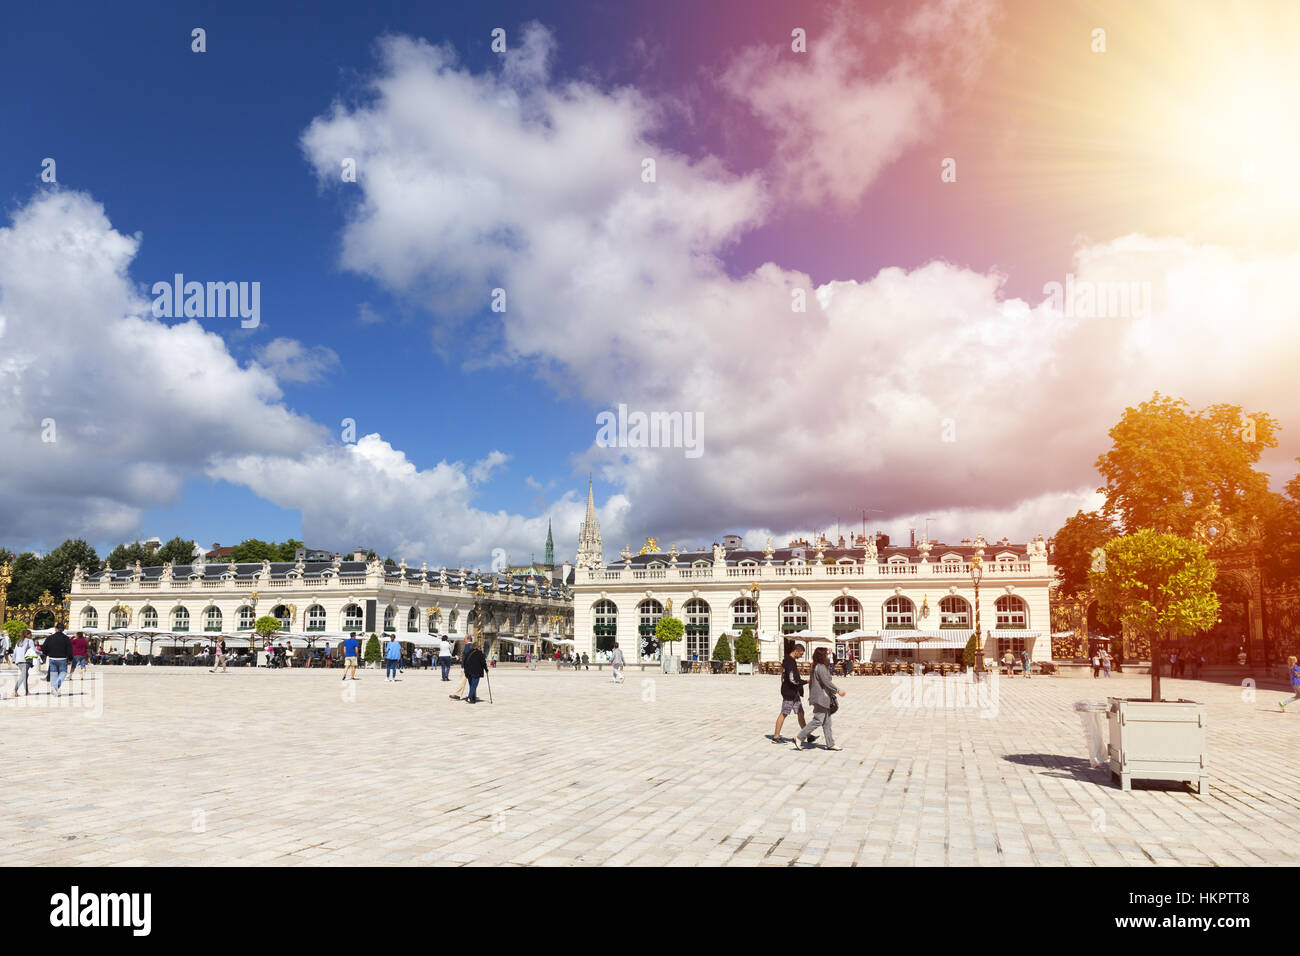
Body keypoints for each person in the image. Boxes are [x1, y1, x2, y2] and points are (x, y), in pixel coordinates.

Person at [793, 646, 844, 751]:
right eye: (826, 654)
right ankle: (799, 737)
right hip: (821, 698)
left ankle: (830, 744)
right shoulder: (820, 667)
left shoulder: (815, 666)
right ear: (822, 656)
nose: (828, 656)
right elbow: (827, 682)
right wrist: (838, 690)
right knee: (818, 720)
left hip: (820, 697)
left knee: (827, 722)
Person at [773, 643, 815, 744]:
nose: (801, 656)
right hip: (789, 691)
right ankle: (776, 737)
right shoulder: (789, 662)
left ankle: (808, 735)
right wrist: (806, 681)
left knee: (800, 712)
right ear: (796, 651)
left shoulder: (790, 661)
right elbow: (792, 679)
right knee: (784, 713)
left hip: (794, 691)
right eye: (800, 654)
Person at [43, 624, 74, 697]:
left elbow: (44, 648)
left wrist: (47, 654)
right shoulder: (66, 638)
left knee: (53, 674)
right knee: (63, 673)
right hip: (62, 658)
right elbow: (69, 649)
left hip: (52, 658)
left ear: (55, 629)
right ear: (63, 630)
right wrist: (70, 659)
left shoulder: (50, 638)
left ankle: (53, 689)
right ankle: (55, 687)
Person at [457, 639, 488, 703]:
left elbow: (465, 661)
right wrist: (486, 669)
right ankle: (469, 697)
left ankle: (473, 698)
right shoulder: (479, 653)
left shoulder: (469, 653)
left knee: (471, 685)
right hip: (476, 672)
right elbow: (483, 662)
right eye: (479, 647)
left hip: (468, 671)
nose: (480, 648)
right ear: (477, 647)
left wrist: (465, 670)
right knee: (474, 685)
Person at [11, 630, 38, 697]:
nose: (31, 636)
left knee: (25, 675)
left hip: (18, 661)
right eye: (30, 634)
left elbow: (15, 652)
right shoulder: (30, 641)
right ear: (27, 635)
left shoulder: (18, 642)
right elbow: (34, 650)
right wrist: (42, 652)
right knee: (23, 676)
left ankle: (26, 691)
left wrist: (14, 660)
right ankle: (15, 690)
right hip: (25, 661)